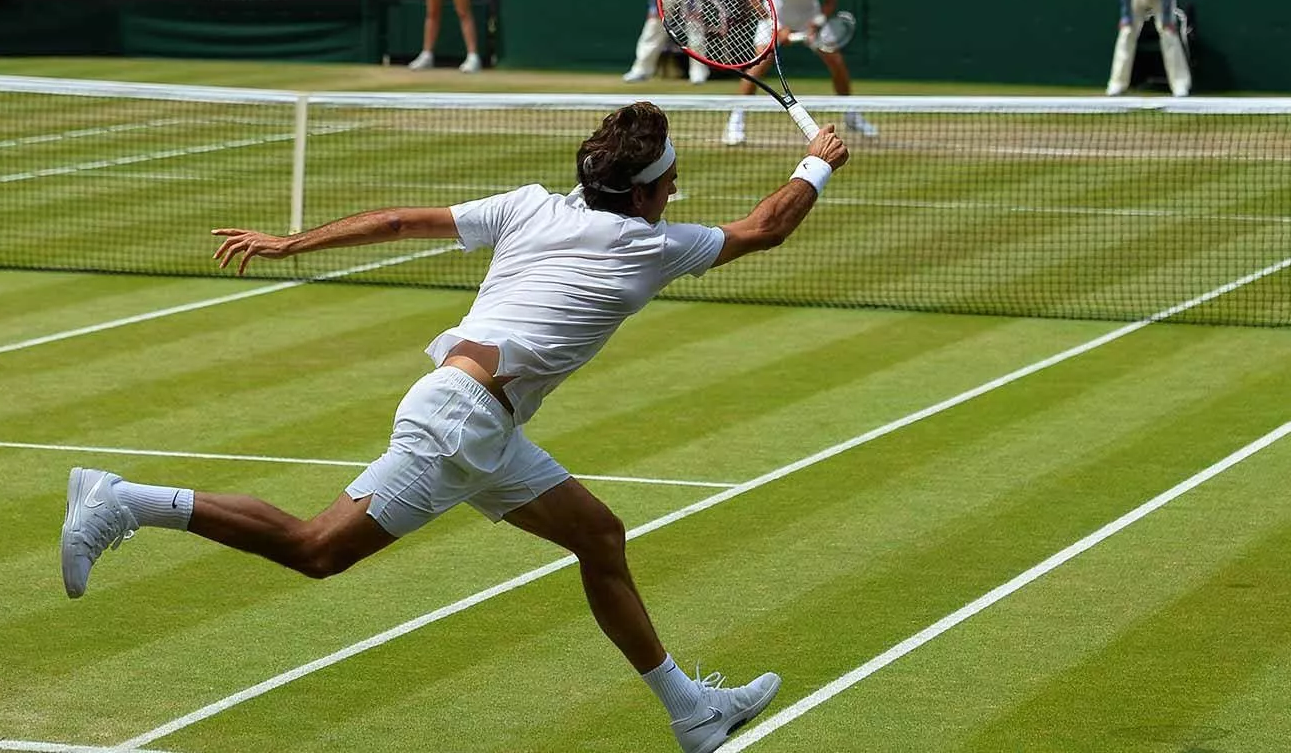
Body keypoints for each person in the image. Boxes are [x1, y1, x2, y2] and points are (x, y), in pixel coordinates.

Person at [63, 103, 853, 753]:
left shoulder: (529, 205)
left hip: (487, 426)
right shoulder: (649, 250)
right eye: (671, 182)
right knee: (315, 550)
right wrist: (816, 160)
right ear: (643, 195)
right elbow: (764, 229)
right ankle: (123, 499)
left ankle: (692, 715)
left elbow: (404, 221)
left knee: (600, 539)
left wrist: (294, 241)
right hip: (459, 423)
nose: (676, 191)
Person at [724, 0, 876, 146]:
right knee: (759, 65)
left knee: (836, 61)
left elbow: (830, 0)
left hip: (809, 17)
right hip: (774, 15)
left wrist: (817, 22)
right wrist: (777, 27)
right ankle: (735, 123)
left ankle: (851, 115)